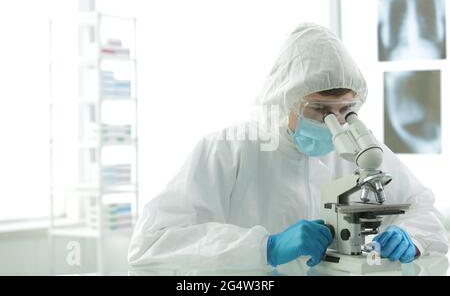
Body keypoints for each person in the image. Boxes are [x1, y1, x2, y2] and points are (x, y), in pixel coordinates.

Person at [128, 23, 449, 270]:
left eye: (346, 110)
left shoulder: (360, 147)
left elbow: (423, 209)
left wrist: (412, 237)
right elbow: (151, 243)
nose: (334, 122)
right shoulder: (228, 149)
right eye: (320, 110)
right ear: (285, 102)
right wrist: (264, 248)